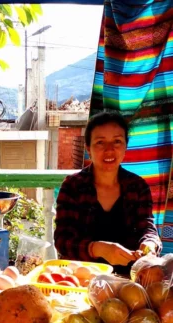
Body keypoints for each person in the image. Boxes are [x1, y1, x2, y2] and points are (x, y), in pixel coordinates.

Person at [54, 111, 162, 275]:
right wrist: (98, 249)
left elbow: (147, 227)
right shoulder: (73, 186)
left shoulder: (138, 187)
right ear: (88, 148)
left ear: (126, 146)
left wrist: (149, 245)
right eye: (100, 142)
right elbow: (62, 240)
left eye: (117, 141)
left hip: (129, 281)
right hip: (80, 280)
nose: (109, 150)